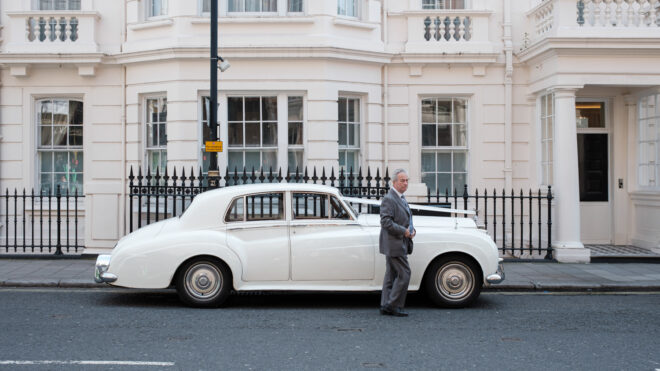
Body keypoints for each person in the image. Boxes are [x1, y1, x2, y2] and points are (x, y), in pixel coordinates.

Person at [379, 169, 415, 317]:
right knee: (405, 273)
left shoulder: (400, 197)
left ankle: (385, 304)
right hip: (394, 243)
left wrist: (412, 231)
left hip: (398, 241)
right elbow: (385, 222)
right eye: (402, 180)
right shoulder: (389, 198)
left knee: (391, 275)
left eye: (407, 180)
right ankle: (393, 305)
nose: (405, 183)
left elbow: (406, 219)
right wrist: (404, 231)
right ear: (394, 182)